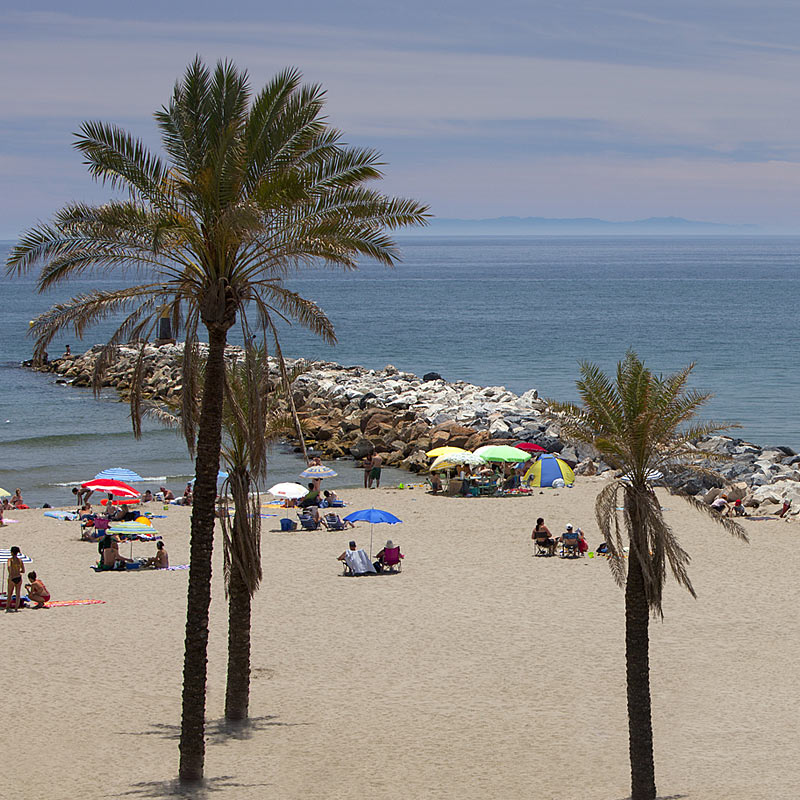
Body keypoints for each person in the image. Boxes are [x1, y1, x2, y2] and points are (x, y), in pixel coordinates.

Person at [6, 546, 25, 611]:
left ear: (11, 552)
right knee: (18, 593)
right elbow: (23, 571)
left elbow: (9, 567)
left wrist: (11, 573)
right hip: (18, 577)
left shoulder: (10, 560)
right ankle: (16, 608)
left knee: (10, 593)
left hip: (12, 577)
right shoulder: (20, 560)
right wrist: (18, 571)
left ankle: (8, 607)